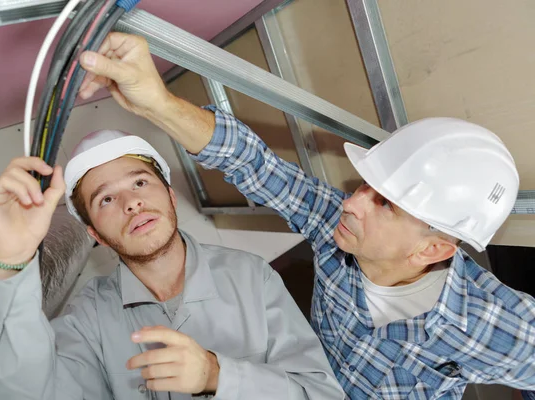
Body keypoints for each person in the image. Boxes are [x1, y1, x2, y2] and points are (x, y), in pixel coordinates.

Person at [70, 32, 535, 399]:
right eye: (364, 187)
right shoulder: (338, 227)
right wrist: (159, 103)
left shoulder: (495, 324)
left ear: (433, 248)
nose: (350, 202)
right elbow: (252, 163)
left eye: (384, 204)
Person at [0, 127, 344, 399]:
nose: (131, 202)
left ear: (170, 196)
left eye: (140, 182)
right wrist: (6, 261)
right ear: (95, 234)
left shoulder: (250, 275)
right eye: (105, 199)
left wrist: (218, 376)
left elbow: (322, 393)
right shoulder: (89, 317)